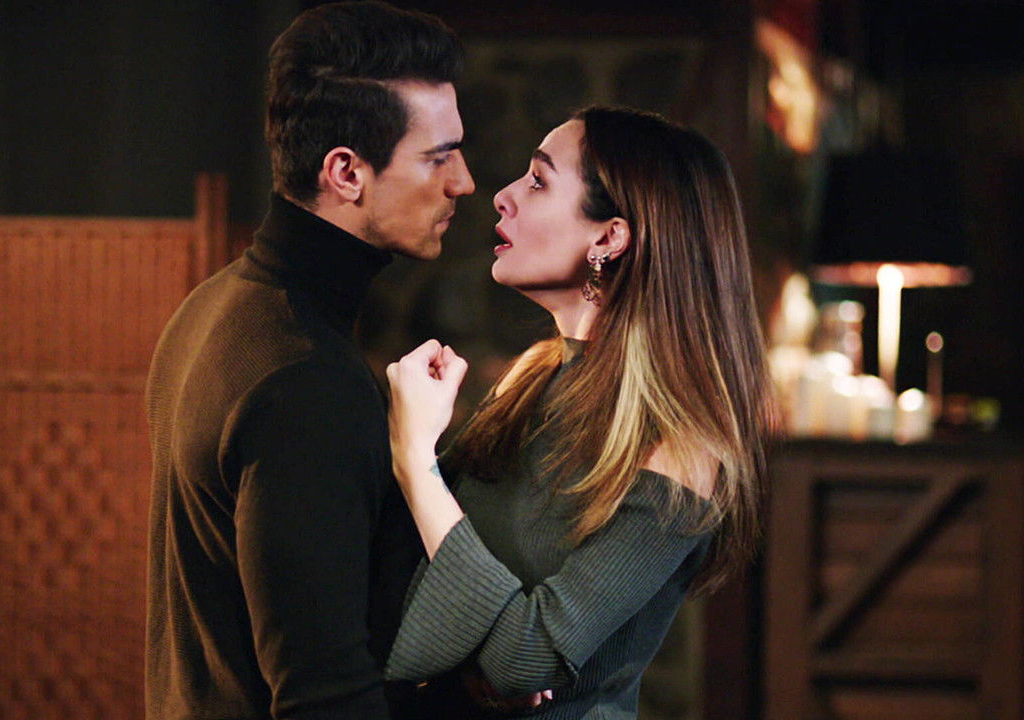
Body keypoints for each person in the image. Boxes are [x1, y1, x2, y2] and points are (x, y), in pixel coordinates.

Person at [383, 106, 775, 718]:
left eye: (539, 181)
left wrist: (415, 460)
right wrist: (480, 651)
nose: (503, 196)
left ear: (609, 238)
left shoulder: (681, 448)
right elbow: (410, 571)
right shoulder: (532, 376)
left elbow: (522, 658)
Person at [143, 2, 473, 719]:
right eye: (438, 157)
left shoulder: (212, 306)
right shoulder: (304, 379)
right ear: (346, 172)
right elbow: (325, 697)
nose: (464, 182)